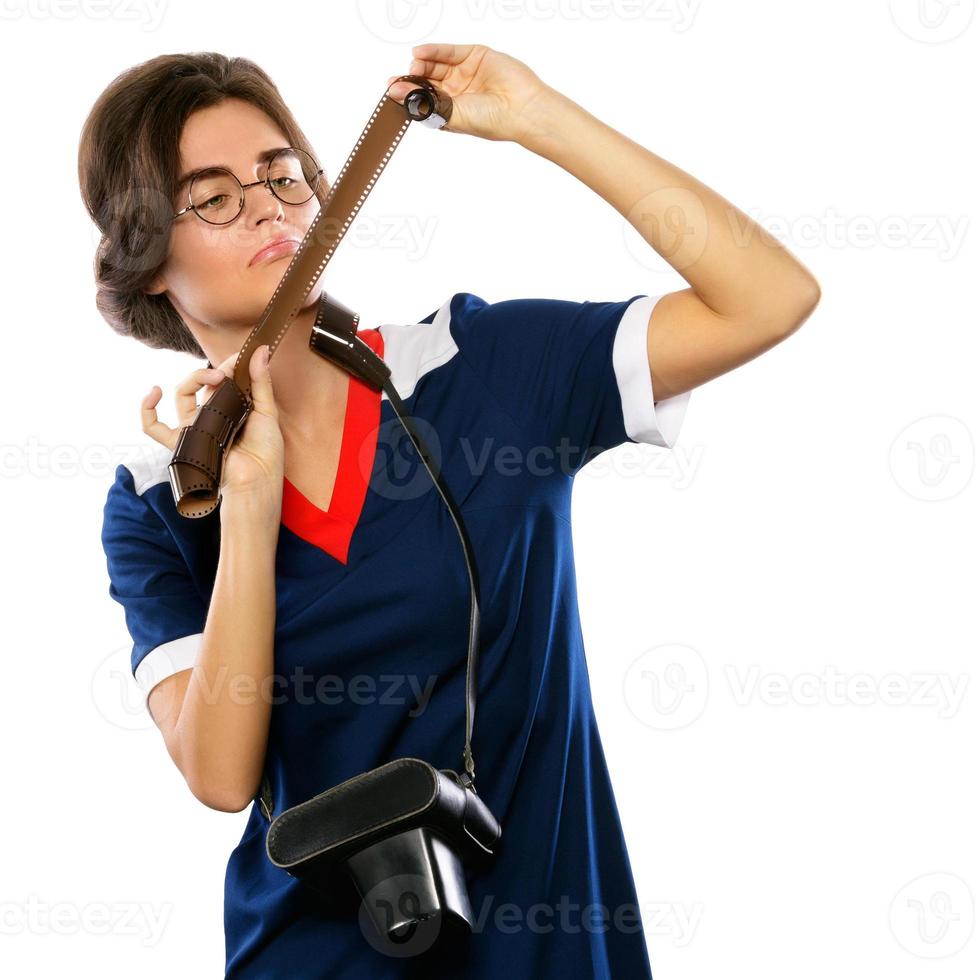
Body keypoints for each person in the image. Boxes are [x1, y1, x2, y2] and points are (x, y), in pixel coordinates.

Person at [80, 45, 820, 979]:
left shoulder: (479, 371)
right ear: (149, 260)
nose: (269, 206)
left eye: (281, 175)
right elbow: (220, 776)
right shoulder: (157, 501)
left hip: (544, 954)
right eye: (216, 197)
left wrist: (539, 116)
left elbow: (768, 298)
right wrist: (251, 505)